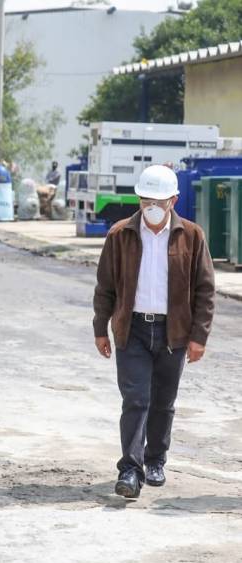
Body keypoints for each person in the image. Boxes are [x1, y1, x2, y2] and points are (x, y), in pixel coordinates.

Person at [93, 164, 215, 499]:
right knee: (136, 399)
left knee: (163, 401)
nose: (153, 206)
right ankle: (130, 470)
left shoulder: (192, 236)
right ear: (138, 198)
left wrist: (198, 337)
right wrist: (100, 328)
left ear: (174, 200)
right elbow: (104, 286)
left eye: (159, 200)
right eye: (147, 199)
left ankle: (155, 459)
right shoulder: (120, 234)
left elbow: (205, 290)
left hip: (173, 332)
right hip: (131, 329)